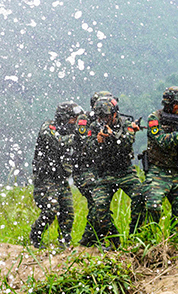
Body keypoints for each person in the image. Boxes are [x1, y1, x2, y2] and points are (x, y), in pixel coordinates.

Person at [86, 95, 146, 248]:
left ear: (114, 113)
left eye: (106, 116)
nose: (103, 120)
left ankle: (135, 237)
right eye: (100, 117)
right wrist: (98, 142)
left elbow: (126, 143)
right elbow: (88, 150)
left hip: (125, 171)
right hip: (105, 173)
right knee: (99, 206)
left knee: (140, 196)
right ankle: (113, 240)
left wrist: (112, 136)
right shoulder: (94, 127)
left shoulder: (125, 124)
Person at [30, 101, 83, 248]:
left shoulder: (70, 131)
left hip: (61, 178)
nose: (75, 122)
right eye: (73, 118)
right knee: (51, 209)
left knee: (68, 212)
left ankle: (64, 244)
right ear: (64, 117)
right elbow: (59, 142)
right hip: (45, 179)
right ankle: (35, 236)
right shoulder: (48, 128)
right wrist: (78, 135)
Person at [143, 86, 178, 225]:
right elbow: (162, 142)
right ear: (169, 104)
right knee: (152, 205)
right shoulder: (155, 118)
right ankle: (148, 238)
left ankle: (175, 243)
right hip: (158, 171)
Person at [73, 90, 114, 246]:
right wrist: (98, 137)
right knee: (96, 203)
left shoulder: (107, 120)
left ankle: (90, 238)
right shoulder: (85, 120)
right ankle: (107, 236)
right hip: (83, 169)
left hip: (97, 169)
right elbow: (83, 141)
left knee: (96, 204)